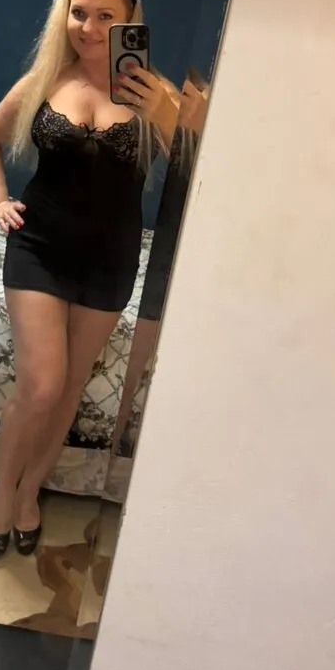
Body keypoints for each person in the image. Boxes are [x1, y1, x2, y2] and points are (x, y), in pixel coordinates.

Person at [0, 0, 178, 558]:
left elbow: (202, 166)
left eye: (104, 15)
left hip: (110, 258)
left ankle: (30, 493)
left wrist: (167, 115)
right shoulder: (45, 80)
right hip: (39, 247)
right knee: (42, 384)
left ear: (129, 20)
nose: (88, 27)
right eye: (78, 12)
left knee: (68, 390)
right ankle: (1, 493)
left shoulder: (154, 94)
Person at [111, 76, 210, 455]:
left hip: (197, 251)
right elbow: (180, 169)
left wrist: (183, 123)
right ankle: (118, 430)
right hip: (168, 245)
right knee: (141, 348)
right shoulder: (182, 98)